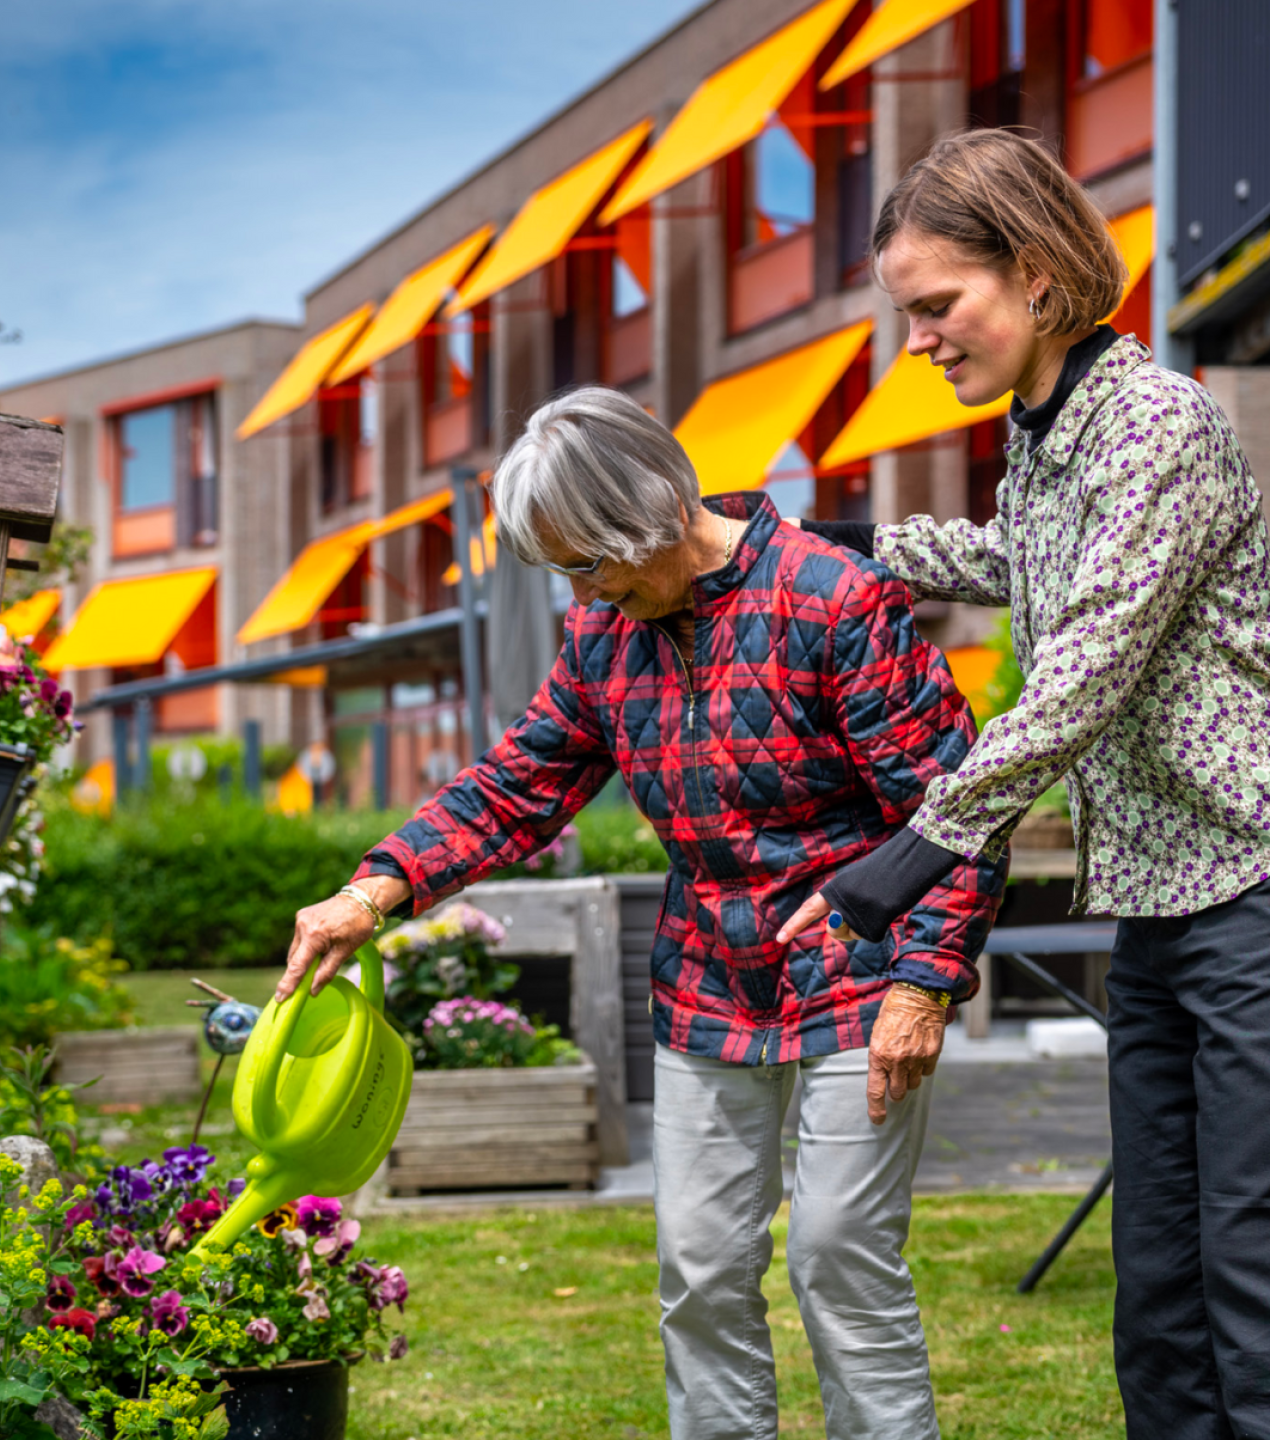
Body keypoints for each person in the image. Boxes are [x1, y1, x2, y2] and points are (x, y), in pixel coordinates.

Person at [275, 387, 1004, 1440]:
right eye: (568, 571)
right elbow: (519, 784)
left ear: (656, 513)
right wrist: (372, 890)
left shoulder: (832, 599)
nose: (587, 591)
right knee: (700, 1269)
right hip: (710, 979)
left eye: (590, 562)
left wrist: (927, 981)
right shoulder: (605, 636)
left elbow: (954, 807)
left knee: (839, 1255)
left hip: (862, 966)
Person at [779, 129, 1270, 1440]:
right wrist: (823, 541)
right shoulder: (1046, 434)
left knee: (1249, 1273)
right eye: (906, 313)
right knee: (1158, 1285)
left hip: (1254, 897)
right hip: (1163, 913)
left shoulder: (1159, 424)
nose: (920, 338)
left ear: (1041, 277)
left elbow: (1082, 675)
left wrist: (907, 858)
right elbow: (1016, 557)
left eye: (938, 305)